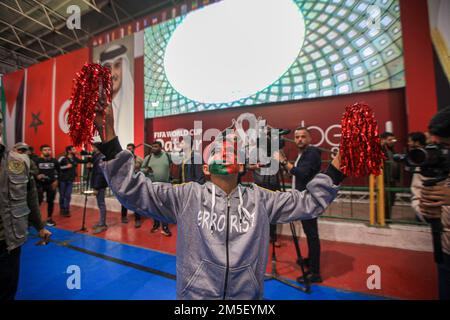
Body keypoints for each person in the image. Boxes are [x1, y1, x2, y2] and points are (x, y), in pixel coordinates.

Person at [93, 102, 344, 299]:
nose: (226, 149)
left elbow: (310, 201)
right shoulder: (186, 196)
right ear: (205, 168)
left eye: (232, 148)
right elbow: (133, 189)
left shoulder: (261, 199)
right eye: (217, 148)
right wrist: (110, 139)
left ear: (242, 165)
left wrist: (342, 160)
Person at [0, 110, 52, 300]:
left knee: (8, 289)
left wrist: (40, 227)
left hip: (9, 240)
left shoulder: (20, 162)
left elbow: (30, 197)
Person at [275, 127, 323, 283]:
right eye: (297, 137)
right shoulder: (303, 154)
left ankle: (315, 273)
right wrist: (286, 166)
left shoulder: (312, 153)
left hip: (309, 200)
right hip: (303, 199)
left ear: (309, 139)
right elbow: (297, 173)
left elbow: (303, 173)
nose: (299, 139)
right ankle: (310, 261)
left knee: (312, 235)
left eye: (303, 136)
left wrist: (283, 161)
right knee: (310, 234)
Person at [417, 106, 450, 300]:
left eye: (445, 146)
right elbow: (418, 198)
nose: (438, 152)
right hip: (444, 249)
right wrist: (424, 210)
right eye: (434, 144)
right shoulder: (429, 162)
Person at [100, 44, 134, 145]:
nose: (112, 74)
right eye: (108, 68)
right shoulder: (98, 109)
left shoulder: (133, 105)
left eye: (117, 66)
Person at [143, 141, 172, 237]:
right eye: (152, 146)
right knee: (154, 207)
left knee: (164, 208)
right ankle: (156, 225)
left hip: (165, 187)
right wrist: (145, 170)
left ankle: (165, 227)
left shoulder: (167, 156)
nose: (153, 148)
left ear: (161, 147)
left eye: (156, 146)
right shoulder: (148, 158)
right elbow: (141, 169)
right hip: (152, 187)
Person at [58, 145, 90, 217]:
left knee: (68, 195)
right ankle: (62, 209)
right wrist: (66, 166)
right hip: (62, 180)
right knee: (62, 195)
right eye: (73, 149)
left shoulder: (75, 158)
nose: (75, 150)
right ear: (69, 151)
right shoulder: (62, 158)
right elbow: (57, 167)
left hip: (70, 180)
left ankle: (66, 210)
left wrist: (90, 157)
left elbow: (83, 161)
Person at [35, 144, 60, 226]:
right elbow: (31, 171)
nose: (47, 151)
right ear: (41, 151)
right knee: (38, 202)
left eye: (49, 150)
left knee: (50, 202)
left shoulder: (54, 161)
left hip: (51, 184)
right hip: (39, 184)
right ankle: (36, 219)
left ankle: (49, 218)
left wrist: (56, 181)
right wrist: (37, 175)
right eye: (45, 150)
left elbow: (59, 171)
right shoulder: (37, 161)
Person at [121, 143, 144, 228]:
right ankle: (123, 217)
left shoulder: (139, 159)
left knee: (136, 202)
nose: (129, 150)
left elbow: (144, 168)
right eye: (127, 148)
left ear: (134, 149)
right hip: (126, 183)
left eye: (130, 148)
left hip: (136, 183)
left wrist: (139, 170)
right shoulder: (123, 160)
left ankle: (137, 220)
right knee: (124, 200)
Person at [407, 132, 428, 222]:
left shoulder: (422, 157)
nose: (409, 143)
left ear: (417, 142)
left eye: (410, 141)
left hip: (423, 196)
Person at [89, 143, 109, 234]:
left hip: (100, 184)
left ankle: (103, 224)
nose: (92, 148)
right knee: (100, 204)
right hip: (98, 183)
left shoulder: (101, 157)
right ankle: (101, 222)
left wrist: (96, 187)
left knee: (101, 204)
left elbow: (100, 174)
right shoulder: (96, 156)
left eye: (93, 147)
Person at [380, 132, 400, 220]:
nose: (392, 141)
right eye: (389, 140)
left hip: (392, 179)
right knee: (384, 200)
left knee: (391, 200)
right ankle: (381, 219)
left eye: (393, 139)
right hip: (383, 180)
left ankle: (387, 218)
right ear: (383, 140)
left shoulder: (392, 150)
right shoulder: (381, 149)